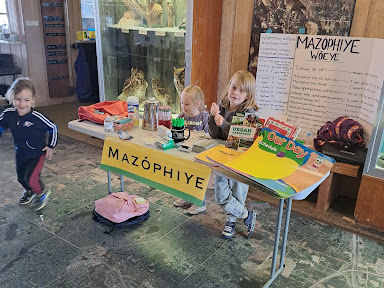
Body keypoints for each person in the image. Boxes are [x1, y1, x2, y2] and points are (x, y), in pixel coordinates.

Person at [208, 70, 258, 239]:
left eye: (241, 90)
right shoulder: (223, 106)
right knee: (221, 196)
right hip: (223, 158)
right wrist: (213, 116)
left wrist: (223, 123)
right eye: (233, 87)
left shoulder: (249, 113)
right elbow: (214, 135)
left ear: (248, 95)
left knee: (238, 191)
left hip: (241, 161)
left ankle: (231, 220)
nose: (235, 92)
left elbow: (240, 138)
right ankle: (245, 215)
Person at [0, 78, 57, 211]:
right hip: (20, 152)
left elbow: (53, 128)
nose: (22, 104)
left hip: (37, 154)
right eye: (18, 99)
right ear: (12, 98)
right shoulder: (9, 114)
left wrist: (51, 146)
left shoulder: (37, 117)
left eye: (26, 100)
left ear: (32, 100)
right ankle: (30, 191)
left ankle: (42, 193)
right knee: (21, 178)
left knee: (31, 178)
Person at [173, 85, 209, 215]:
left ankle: (200, 203)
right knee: (184, 175)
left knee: (198, 179)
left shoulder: (204, 118)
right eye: (182, 103)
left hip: (199, 155)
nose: (183, 106)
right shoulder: (182, 116)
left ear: (198, 104)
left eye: (187, 103)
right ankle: (187, 197)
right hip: (185, 153)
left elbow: (209, 137)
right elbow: (175, 132)